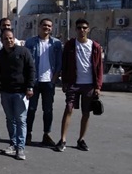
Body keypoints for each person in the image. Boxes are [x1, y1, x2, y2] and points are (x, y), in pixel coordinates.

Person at [56, 18, 103, 153]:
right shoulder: (70, 45)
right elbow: (65, 64)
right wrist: (64, 82)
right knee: (68, 109)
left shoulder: (95, 46)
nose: (81, 30)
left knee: (86, 112)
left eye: (84, 28)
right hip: (73, 83)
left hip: (89, 85)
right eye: (79, 28)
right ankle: (63, 139)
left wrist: (98, 86)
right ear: (75, 29)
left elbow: (99, 67)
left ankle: (81, 140)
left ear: (88, 29)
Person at [0, 29, 35, 160]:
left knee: (21, 120)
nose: (8, 40)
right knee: (10, 119)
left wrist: (30, 87)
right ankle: (13, 143)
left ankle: (20, 148)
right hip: (6, 92)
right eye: (5, 38)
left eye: (10, 38)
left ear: (14, 38)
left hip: (21, 92)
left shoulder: (23, 51)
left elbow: (31, 69)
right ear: (1, 40)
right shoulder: (0, 55)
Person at [23, 18, 62, 146]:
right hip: (34, 81)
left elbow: (59, 62)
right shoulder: (30, 42)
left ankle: (46, 134)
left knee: (48, 109)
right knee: (31, 109)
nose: (47, 28)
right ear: (39, 26)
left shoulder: (56, 43)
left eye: (49, 26)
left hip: (49, 82)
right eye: (44, 25)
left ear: (52, 28)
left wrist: (54, 78)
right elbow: (26, 62)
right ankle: (28, 134)